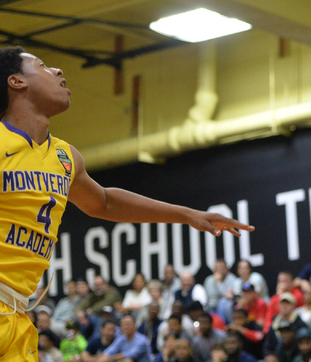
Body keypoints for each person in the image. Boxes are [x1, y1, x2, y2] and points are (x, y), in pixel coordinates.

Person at [0, 45, 255, 362]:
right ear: (16, 82)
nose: (58, 71)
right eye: (42, 66)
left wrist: (187, 214)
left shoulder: (65, 157)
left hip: (18, 316)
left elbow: (104, 202)